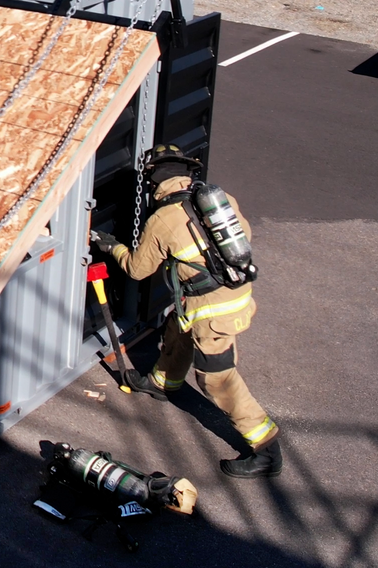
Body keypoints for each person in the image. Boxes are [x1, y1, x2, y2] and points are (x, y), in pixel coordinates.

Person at [97, 145, 281, 479]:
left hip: (212, 312)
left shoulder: (162, 218)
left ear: (155, 182)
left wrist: (112, 246)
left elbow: (138, 270)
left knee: (216, 379)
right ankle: (161, 382)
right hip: (236, 294)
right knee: (178, 326)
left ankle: (266, 448)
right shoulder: (219, 201)